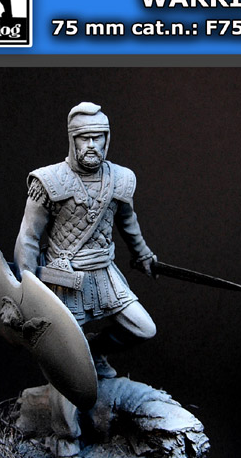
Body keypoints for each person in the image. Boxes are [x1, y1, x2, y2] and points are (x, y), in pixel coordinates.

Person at [14, 102, 156, 383]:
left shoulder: (120, 179)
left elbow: (128, 222)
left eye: (97, 137)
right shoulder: (48, 181)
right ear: (72, 139)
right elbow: (28, 237)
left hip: (105, 276)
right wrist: (27, 287)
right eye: (84, 138)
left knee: (143, 328)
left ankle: (95, 350)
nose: (91, 145)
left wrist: (143, 254)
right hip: (64, 278)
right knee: (67, 351)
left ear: (107, 138)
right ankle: (67, 391)